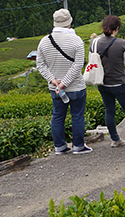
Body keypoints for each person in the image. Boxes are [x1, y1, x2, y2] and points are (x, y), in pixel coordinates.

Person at [36, 8, 91, 155]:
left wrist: (54, 81)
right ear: (69, 22)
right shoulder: (76, 40)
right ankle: (78, 146)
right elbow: (78, 65)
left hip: (55, 89)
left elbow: (40, 64)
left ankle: (59, 147)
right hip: (75, 87)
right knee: (77, 115)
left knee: (58, 116)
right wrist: (64, 83)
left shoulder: (44, 41)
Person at [96, 15, 125, 148]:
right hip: (119, 83)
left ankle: (115, 139)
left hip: (103, 83)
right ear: (117, 28)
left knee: (109, 111)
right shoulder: (122, 43)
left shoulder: (95, 43)